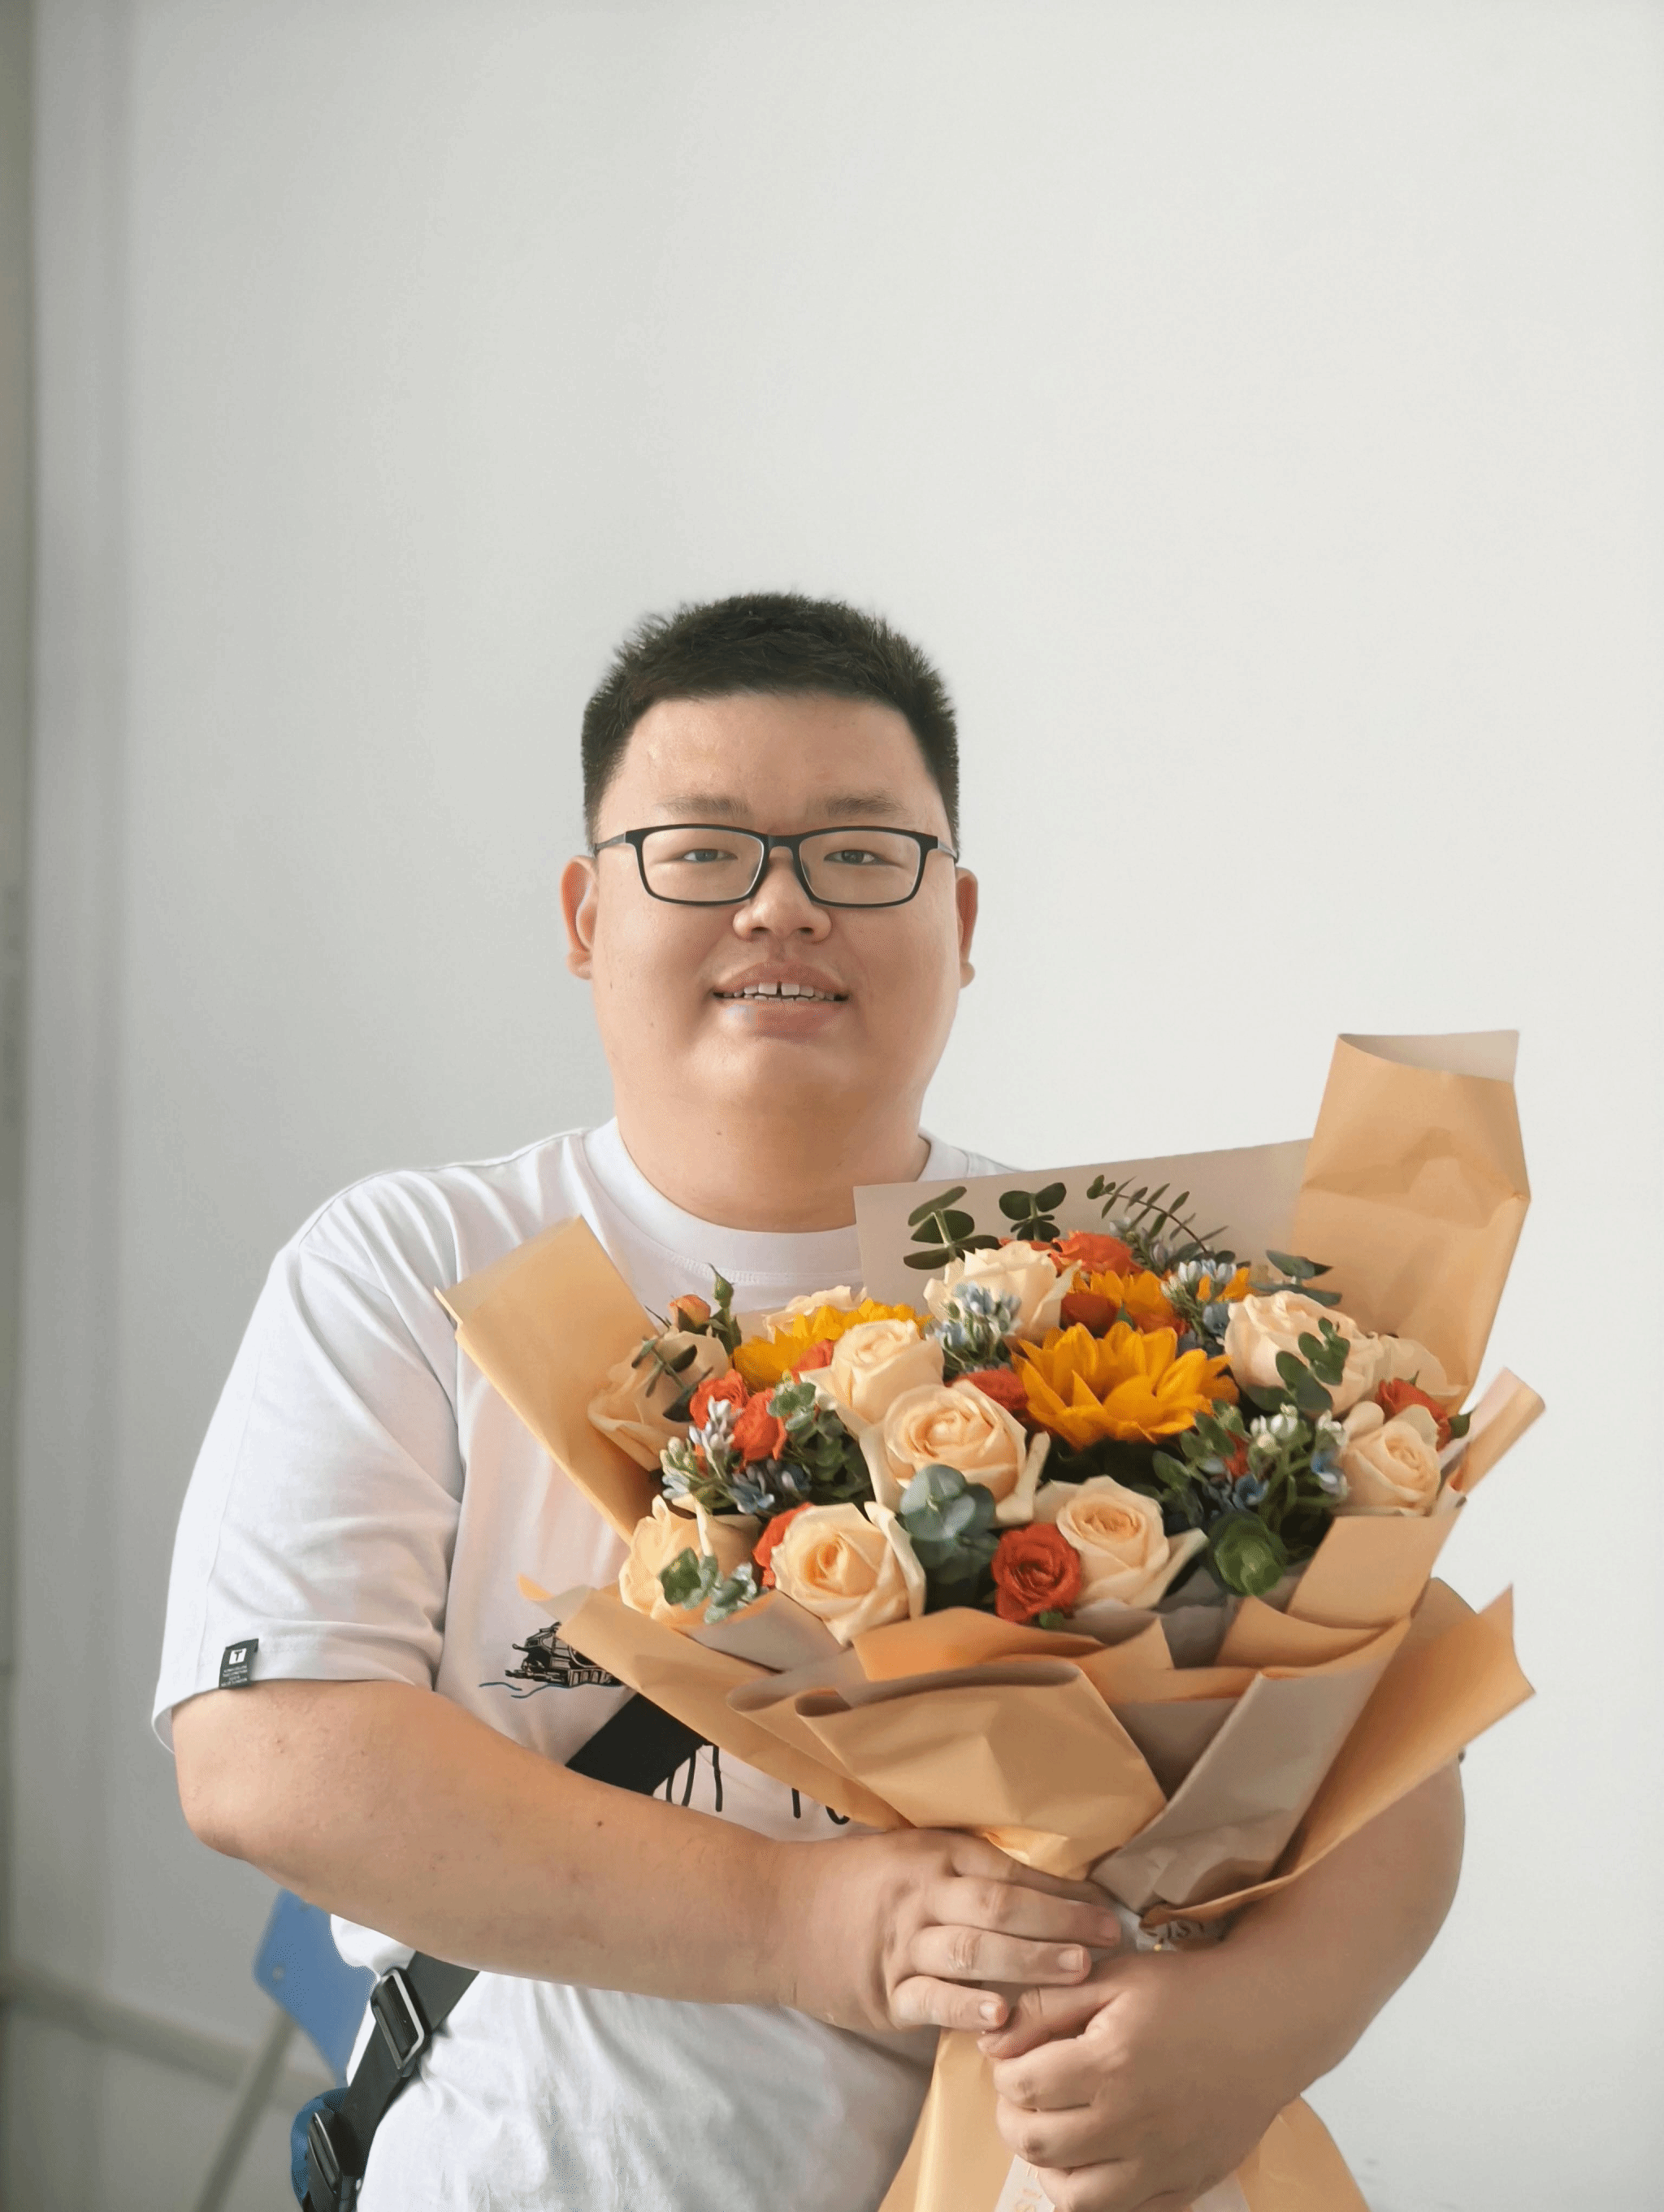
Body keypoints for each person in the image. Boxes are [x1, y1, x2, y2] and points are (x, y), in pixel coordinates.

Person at [158, 593, 1462, 2212]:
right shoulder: (416, 1264)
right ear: (585, 913)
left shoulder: (1117, 1295)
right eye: (702, 849)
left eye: (858, 853)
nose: (780, 904)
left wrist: (1260, 2025)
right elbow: (272, 1759)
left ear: (960, 918)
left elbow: (1394, 1747)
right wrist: (802, 1924)